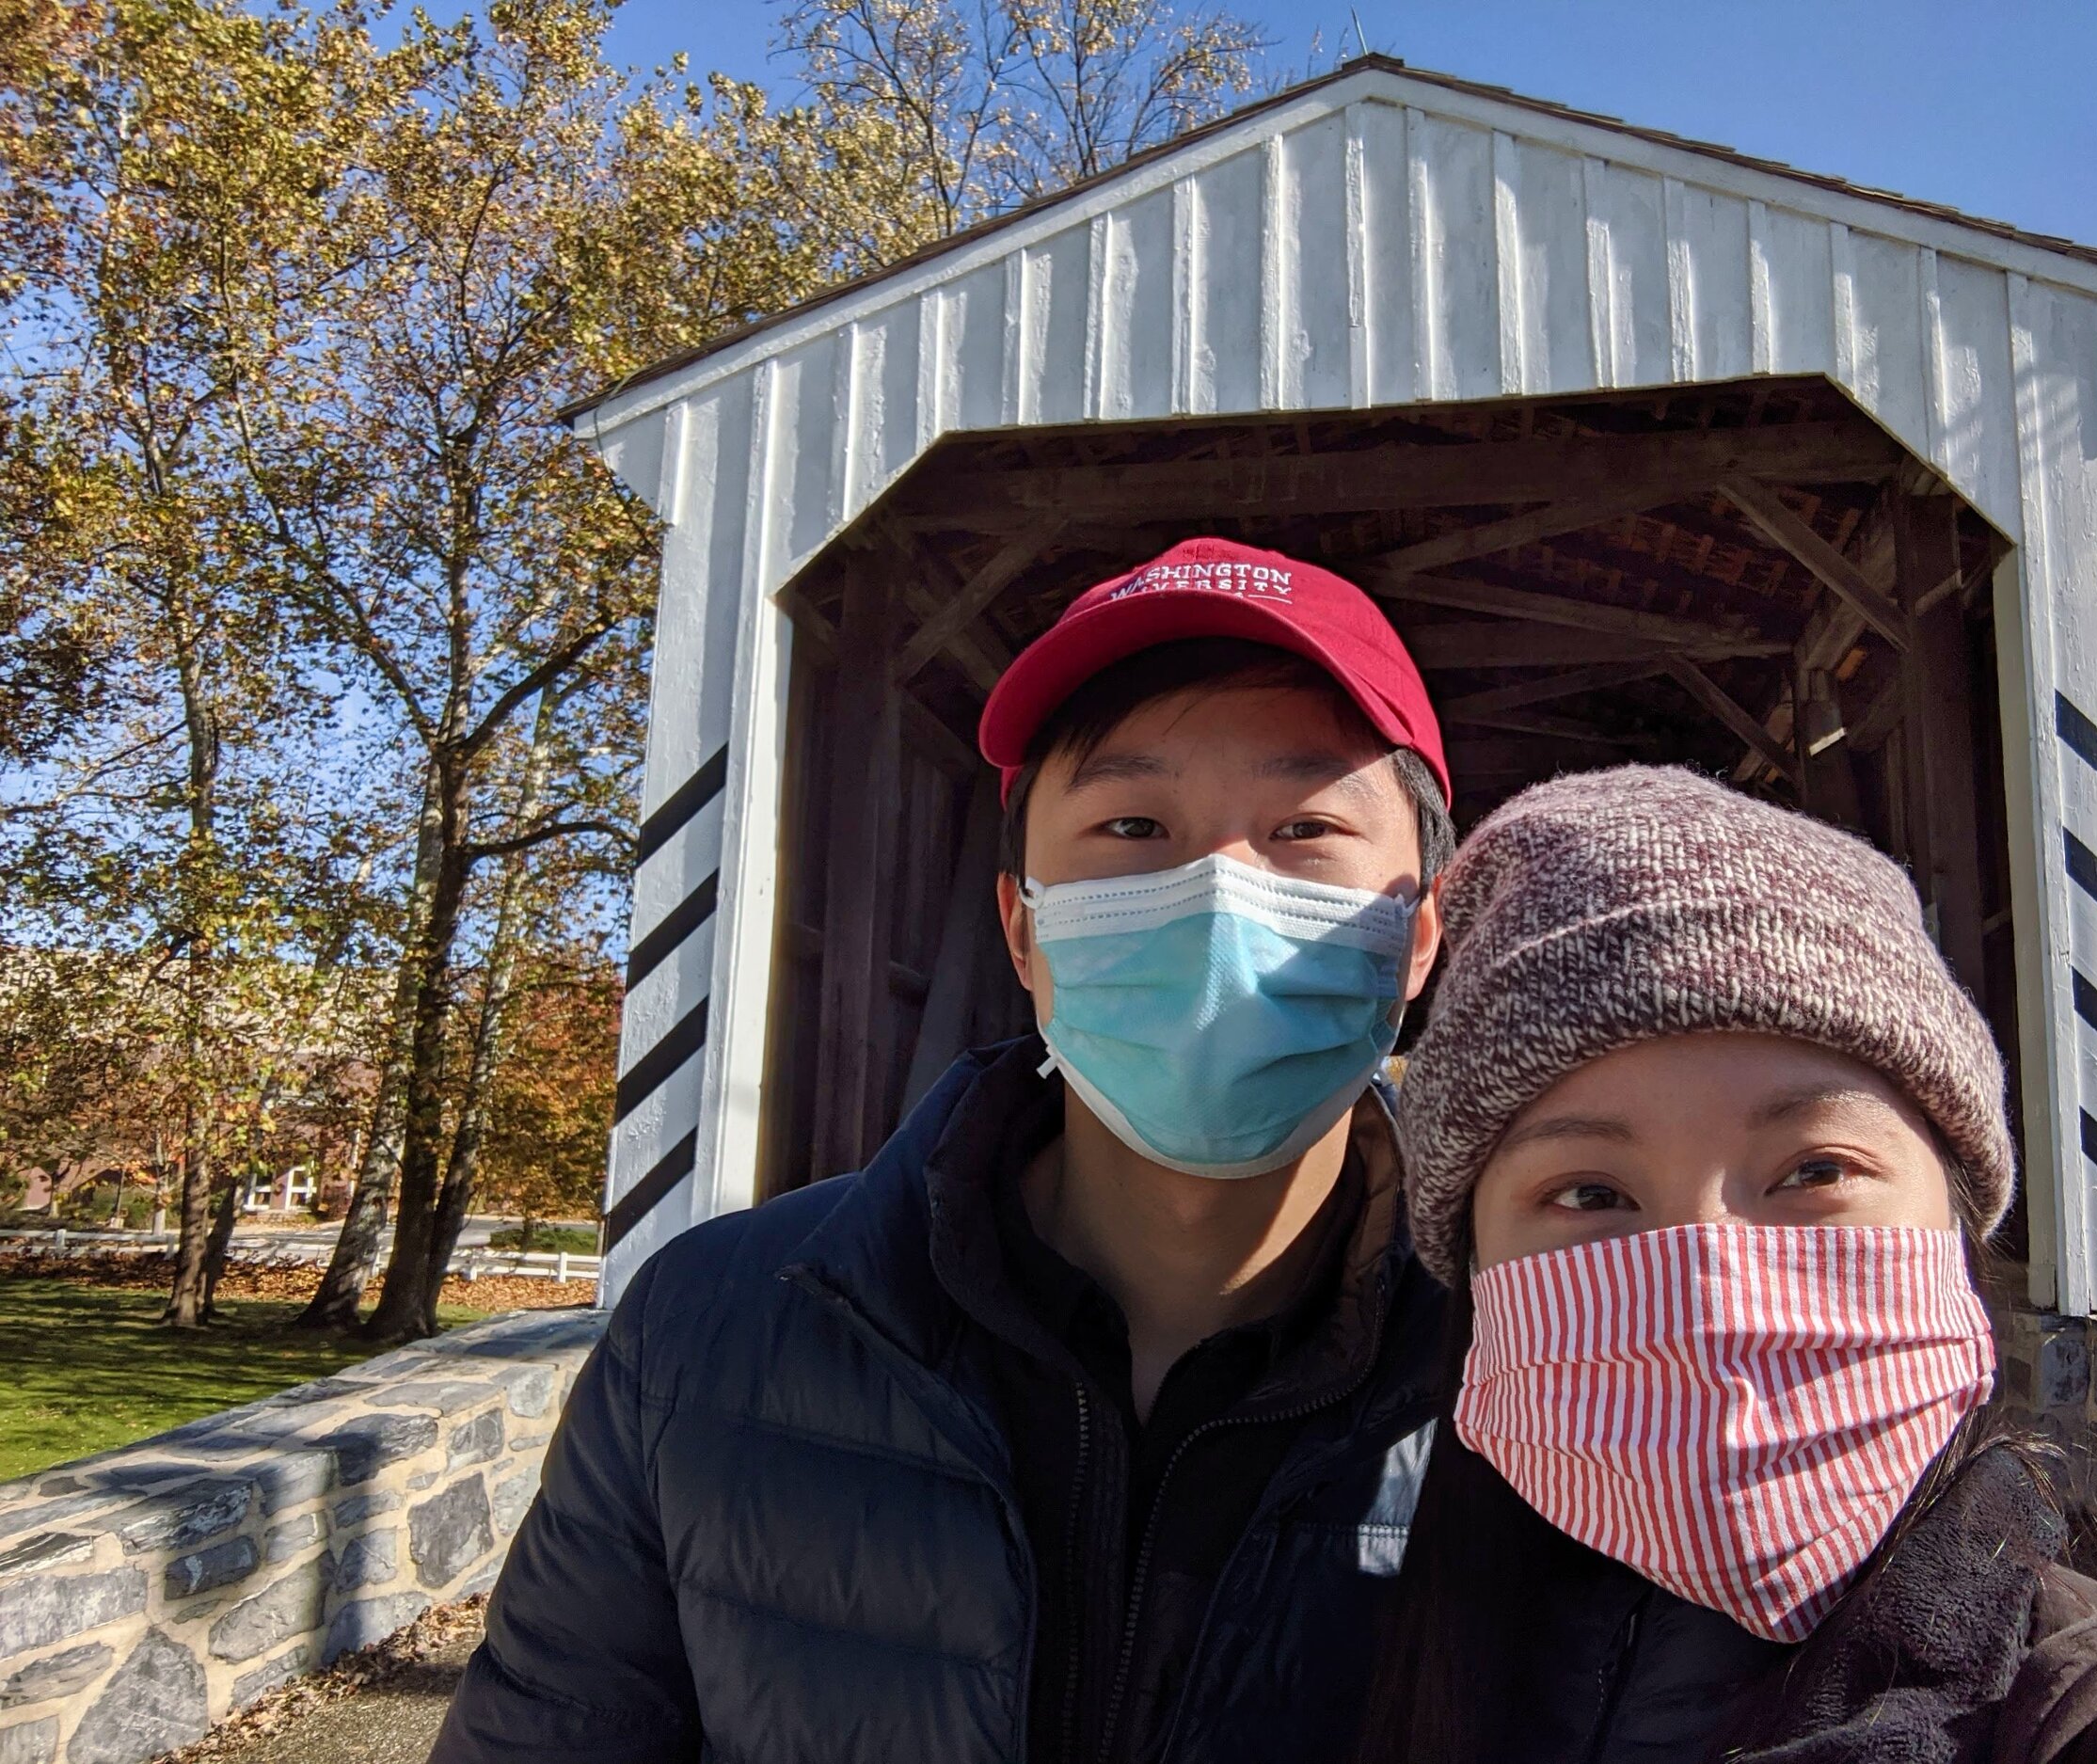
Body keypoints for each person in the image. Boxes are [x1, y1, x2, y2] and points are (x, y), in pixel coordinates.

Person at [432, 537, 1461, 1764]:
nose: (1217, 892)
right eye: (1135, 823)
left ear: (1415, 935)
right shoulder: (709, 1334)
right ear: (1022, 927)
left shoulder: (1541, 1366)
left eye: (1303, 825)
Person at [1359, 765, 2097, 1764]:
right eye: (1588, 1193)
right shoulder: (1342, 1641)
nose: (1713, 1286)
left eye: (1816, 1169)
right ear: (1473, 1265)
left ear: (1956, 1225)